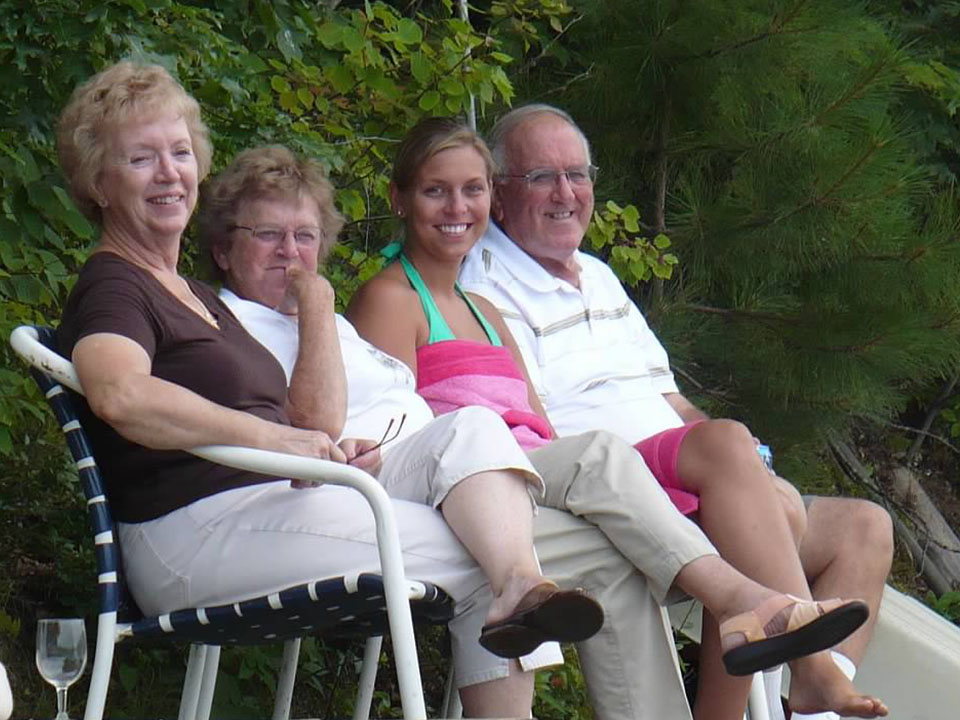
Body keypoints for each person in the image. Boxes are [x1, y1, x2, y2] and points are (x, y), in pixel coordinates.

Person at [52, 62, 603, 720]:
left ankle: (521, 584)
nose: (169, 173)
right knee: (483, 554)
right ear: (98, 180)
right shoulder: (116, 284)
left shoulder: (198, 298)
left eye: (179, 152)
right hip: (190, 536)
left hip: (263, 504)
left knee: (473, 431)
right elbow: (120, 394)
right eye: (142, 158)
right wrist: (273, 437)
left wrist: (334, 451)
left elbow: (280, 415)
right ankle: (517, 584)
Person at [342, 117, 874, 711]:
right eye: (435, 190)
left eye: (472, 189)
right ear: (399, 199)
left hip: (530, 483)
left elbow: (540, 429)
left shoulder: (486, 311)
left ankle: (743, 611)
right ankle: (736, 600)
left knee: (613, 554)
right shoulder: (388, 299)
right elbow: (396, 428)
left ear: (490, 197)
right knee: (598, 451)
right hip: (464, 491)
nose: (457, 207)